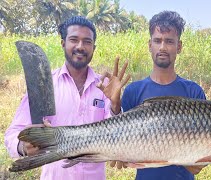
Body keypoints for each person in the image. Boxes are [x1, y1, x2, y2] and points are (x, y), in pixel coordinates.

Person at [5, 16, 130, 180]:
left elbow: (117, 137)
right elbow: (12, 134)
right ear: (63, 43)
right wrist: (22, 146)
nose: (80, 46)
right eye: (74, 40)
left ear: (94, 47)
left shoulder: (105, 87)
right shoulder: (44, 85)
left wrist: (115, 105)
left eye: (87, 41)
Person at [114, 10, 207, 180]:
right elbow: (118, 140)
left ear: (179, 46)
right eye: (157, 41)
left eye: (169, 41)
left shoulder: (194, 92)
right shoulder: (133, 91)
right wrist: (114, 105)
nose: (163, 47)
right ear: (150, 45)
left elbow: (197, 165)